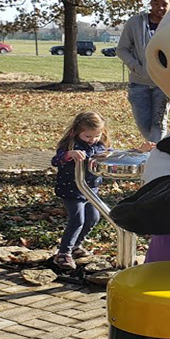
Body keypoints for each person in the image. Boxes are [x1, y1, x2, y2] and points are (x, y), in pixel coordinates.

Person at [51, 111, 111, 270]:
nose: (93, 140)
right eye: (88, 137)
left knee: (93, 218)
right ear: (76, 132)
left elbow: (114, 155)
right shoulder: (70, 146)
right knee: (77, 220)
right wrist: (69, 155)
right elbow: (56, 160)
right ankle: (63, 253)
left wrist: (138, 150)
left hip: (91, 191)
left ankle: (76, 245)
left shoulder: (100, 146)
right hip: (72, 191)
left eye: (96, 136)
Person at [117, 0, 170, 143]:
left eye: (164, 4)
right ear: (151, 3)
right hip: (139, 83)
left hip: (163, 85)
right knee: (143, 125)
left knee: (159, 124)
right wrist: (137, 68)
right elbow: (122, 49)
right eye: (156, 3)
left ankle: (155, 157)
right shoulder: (135, 23)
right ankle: (157, 152)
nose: (160, 7)